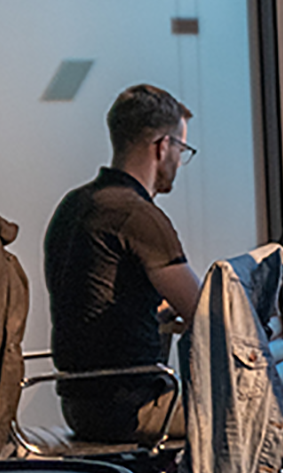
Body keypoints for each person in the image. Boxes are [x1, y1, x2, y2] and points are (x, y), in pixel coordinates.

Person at [43, 83, 203, 445]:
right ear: (162, 147)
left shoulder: (74, 205)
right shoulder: (137, 215)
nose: (179, 160)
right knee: (261, 409)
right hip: (131, 409)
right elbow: (206, 311)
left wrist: (158, 316)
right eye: (181, 149)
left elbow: (96, 302)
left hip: (80, 405)